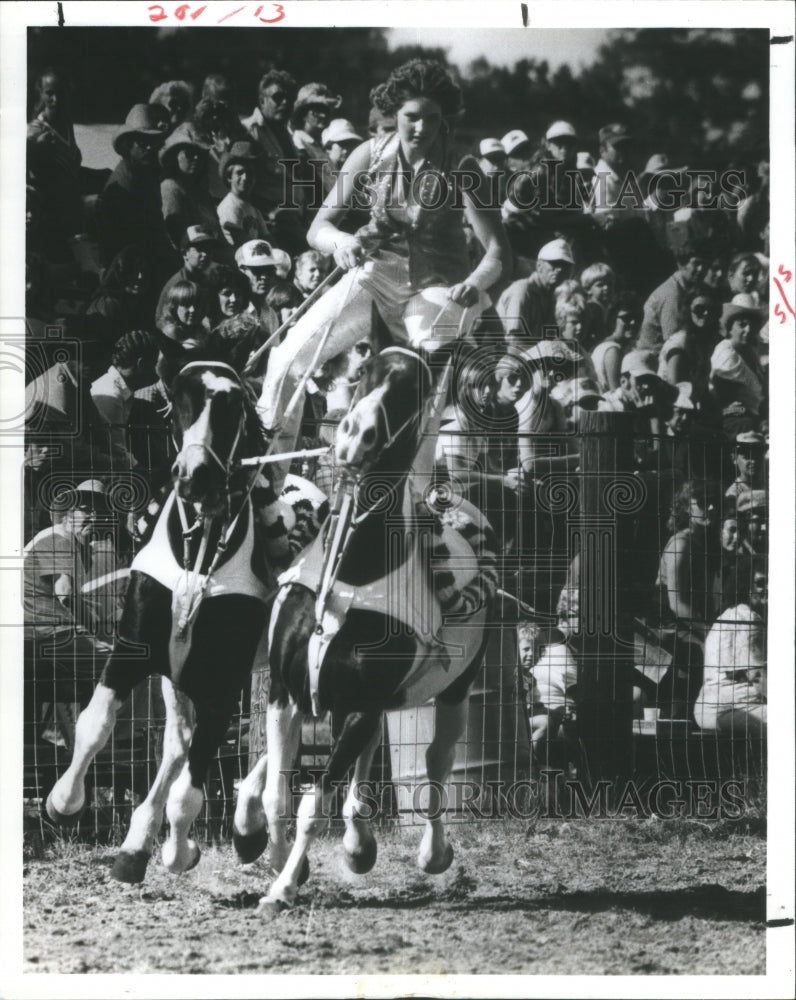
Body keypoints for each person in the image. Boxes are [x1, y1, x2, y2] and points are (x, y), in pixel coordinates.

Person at [258, 59, 510, 498]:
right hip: (374, 277)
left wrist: (477, 283)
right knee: (285, 361)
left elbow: (499, 253)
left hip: (437, 288)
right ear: (395, 113)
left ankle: (417, 496)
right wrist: (340, 242)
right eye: (413, 116)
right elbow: (317, 228)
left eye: (433, 118)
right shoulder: (369, 154)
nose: (422, 128)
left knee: (421, 382)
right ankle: (265, 485)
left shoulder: (463, 167)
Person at [692, 555, 767, 736]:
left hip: (711, 709)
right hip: (730, 709)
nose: (768, 588)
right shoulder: (748, 618)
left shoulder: (728, 614)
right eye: (760, 582)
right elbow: (758, 676)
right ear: (744, 584)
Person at [96, 103, 172, 274]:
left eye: (152, 141)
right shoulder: (124, 183)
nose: (149, 147)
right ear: (128, 145)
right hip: (128, 265)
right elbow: (119, 241)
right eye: (142, 142)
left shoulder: (146, 171)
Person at [26, 68, 83, 254]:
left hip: (71, 194)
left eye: (60, 93)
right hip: (52, 207)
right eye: (50, 93)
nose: (55, 100)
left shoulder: (65, 122)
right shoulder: (35, 131)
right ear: (40, 94)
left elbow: (72, 162)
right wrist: (35, 148)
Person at [90, 330, 160, 468]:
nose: (156, 372)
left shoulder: (121, 391)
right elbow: (117, 451)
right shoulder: (110, 393)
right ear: (141, 364)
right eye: (154, 364)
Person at [496, 238, 574, 351]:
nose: (559, 269)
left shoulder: (549, 296)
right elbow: (514, 341)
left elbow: (551, 338)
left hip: (529, 358)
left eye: (565, 266)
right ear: (539, 266)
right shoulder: (522, 290)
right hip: (503, 358)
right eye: (554, 264)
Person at [637, 241, 712, 353]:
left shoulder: (689, 288)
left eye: (705, 264)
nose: (701, 269)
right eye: (696, 263)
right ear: (682, 264)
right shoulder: (672, 294)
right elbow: (674, 341)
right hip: (654, 356)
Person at [159, 121, 220, 251]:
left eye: (201, 153)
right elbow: (178, 239)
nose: (197, 158)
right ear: (174, 156)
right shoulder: (171, 188)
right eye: (189, 153)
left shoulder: (199, 189)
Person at [709, 299, 766, 437]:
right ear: (730, 327)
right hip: (731, 418)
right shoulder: (726, 353)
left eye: (752, 326)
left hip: (752, 414)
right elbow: (722, 399)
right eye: (742, 325)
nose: (748, 330)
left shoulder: (750, 351)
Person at [656, 289, 721, 404]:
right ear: (688, 311)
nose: (706, 313)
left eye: (710, 310)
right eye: (699, 309)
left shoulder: (706, 341)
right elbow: (674, 388)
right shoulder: (679, 343)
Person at [155, 224, 221, 330]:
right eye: (199, 249)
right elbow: (162, 322)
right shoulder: (177, 283)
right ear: (184, 253)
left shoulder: (209, 278)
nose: (205, 254)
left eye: (209, 250)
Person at [216, 140, 271, 248]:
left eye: (250, 173)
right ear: (229, 177)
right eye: (240, 172)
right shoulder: (230, 206)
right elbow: (243, 244)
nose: (245, 178)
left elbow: (268, 238)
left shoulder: (252, 208)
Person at [591, 292, 642, 393]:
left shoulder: (624, 345)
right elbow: (617, 393)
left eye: (637, 318)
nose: (633, 322)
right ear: (613, 319)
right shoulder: (612, 350)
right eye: (626, 318)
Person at [235, 239, 281, 339]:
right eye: (258, 270)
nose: (264, 277)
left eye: (269, 271)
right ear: (242, 271)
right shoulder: (233, 309)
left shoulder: (271, 315)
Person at [156, 280, 210, 346]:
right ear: (174, 307)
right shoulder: (172, 331)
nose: (192, 310)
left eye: (197, 304)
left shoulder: (200, 329)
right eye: (186, 304)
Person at [725, 430, 766, 499]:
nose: (753, 461)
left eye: (757, 456)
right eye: (747, 457)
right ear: (734, 459)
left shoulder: (766, 485)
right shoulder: (734, 494)